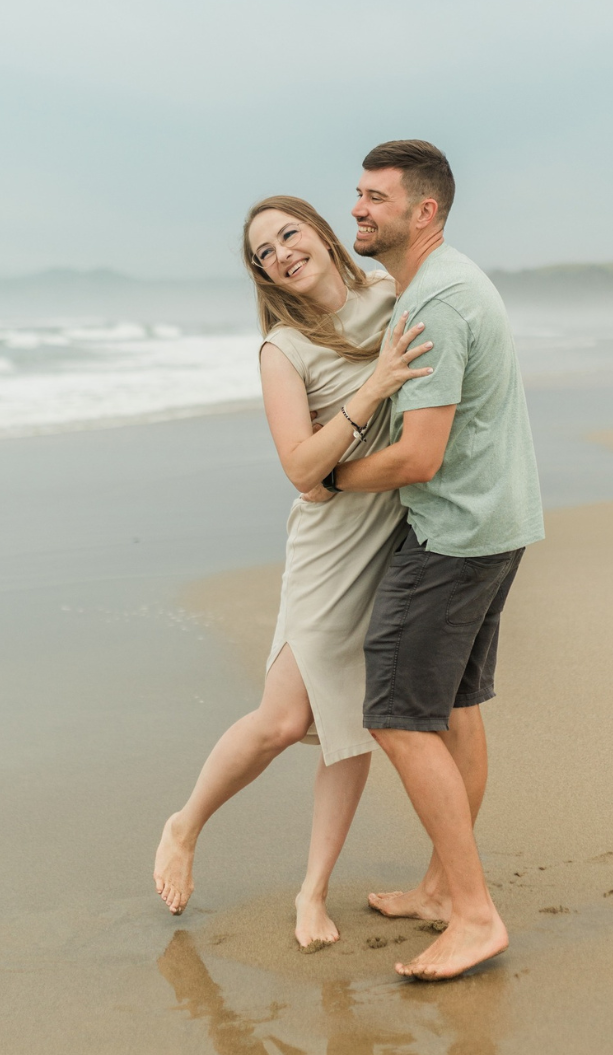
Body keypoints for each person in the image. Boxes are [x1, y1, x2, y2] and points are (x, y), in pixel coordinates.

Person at [153, 195, 434, 947]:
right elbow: (302, 471)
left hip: (398, 536)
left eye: (288, 234)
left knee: (348, 729)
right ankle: (184, 825)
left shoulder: (390, 295)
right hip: (330, 546)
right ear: (264, 275)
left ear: (319, 230)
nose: (280, 252)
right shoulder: (284, 349)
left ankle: (313, 893)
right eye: (264, 252)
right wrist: (373, 387)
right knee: (283, 721)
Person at [324, 140, 545, 980]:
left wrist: (336, 475)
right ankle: (442, 891)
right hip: (493, 521)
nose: (357, 210)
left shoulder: (438, 303)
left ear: (425, 212)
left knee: (397, 712)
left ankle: (477, 913)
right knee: (453, 706)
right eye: (357, 194)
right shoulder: (442, 284)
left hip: (454, 532)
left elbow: (419, 456)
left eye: (376, 198)